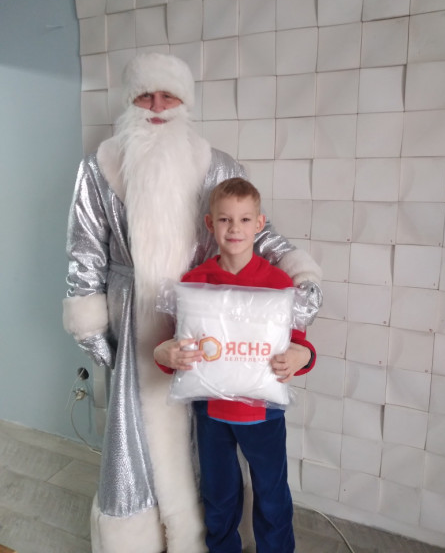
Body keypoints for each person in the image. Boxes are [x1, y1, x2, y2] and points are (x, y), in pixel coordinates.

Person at [63, 52, 322, 553]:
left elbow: (258, 233)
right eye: (146, 96)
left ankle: (199, 536)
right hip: (130, 315)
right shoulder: (98, 168)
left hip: (207, 317)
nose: (157, 106)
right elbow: (84, 249)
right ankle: (136, 538)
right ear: (130, 102)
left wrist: (301, 275)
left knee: (206, 438)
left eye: (169, 96)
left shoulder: (216, 165)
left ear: (185, 103)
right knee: (133, 433)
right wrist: (91, 324)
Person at [155, 178, 316, 553]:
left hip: (264, 414)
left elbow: (300, 343)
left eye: (244, 219)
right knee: (218, 494)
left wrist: (301, 356)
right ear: (210, 224)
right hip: (211, 412)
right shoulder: (194, 283)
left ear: (259, 224)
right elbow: (174, 345)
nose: (235, 229)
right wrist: (164, 355)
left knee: (272, 495)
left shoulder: (278, 284)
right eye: (225, 219)